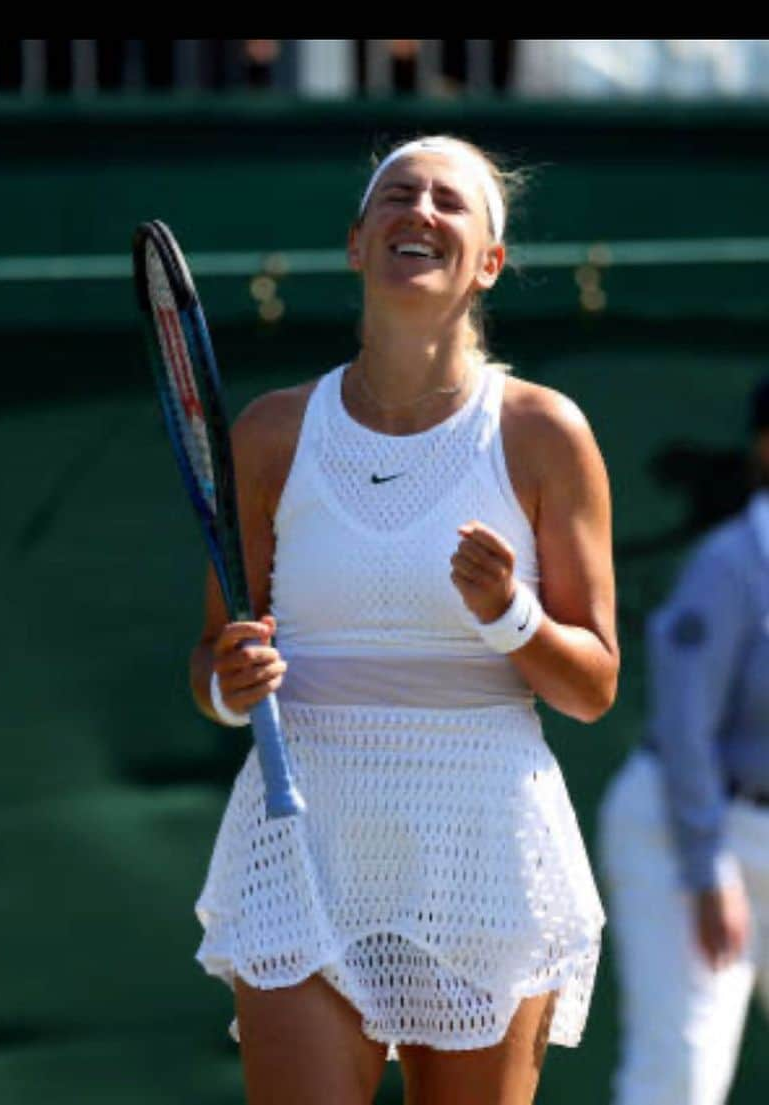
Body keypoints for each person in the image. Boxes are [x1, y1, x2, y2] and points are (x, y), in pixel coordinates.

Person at [186, 135, 619, 1105]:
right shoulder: (270, 435)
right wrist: (229, 684)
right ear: (356, 242)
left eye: (448, 203)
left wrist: (511, 616)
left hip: (481, 848)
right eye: (396, 196)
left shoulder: (545, 433)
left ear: (490, 262)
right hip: (303, 844)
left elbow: (593, 684)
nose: (418, 213)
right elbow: (214, 661)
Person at [599, 377, 769, 1105]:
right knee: (680, 1078)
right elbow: (686, 724)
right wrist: (707, 867)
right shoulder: (729, 566)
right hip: (688, 826)